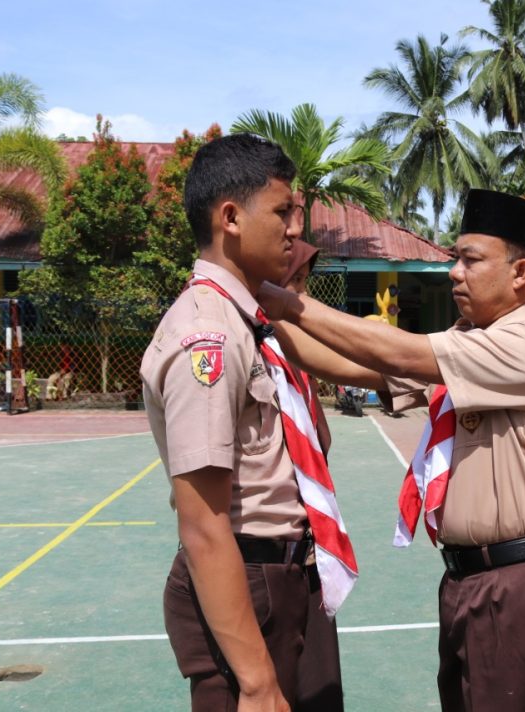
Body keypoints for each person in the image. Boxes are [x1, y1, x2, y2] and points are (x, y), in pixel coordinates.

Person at [258, 188, 525, 712]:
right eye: (456, 258)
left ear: (521, 274)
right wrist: (272, 318)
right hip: (468, 582)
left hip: (522, 587)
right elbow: (358, 368)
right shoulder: (473, 339)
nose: (455, 272)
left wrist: (291, 302)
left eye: (471, 260)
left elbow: (401, 351)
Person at [141, 134, 357, 712]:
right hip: (249, 584)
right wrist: (258, 684)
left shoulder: (252, 320)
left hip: (291, 574)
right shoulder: (206, 335)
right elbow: (205, 524)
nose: (295, 228)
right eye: (284, 212)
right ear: (230, 217)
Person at [280, 239, 342, 711]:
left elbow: (319, 441)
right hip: (269, 562)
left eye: (304, 282)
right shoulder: (251, 346)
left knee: (320, 692)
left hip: (309, 554)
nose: (301, 295)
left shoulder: (299, 362)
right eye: (293, 281)